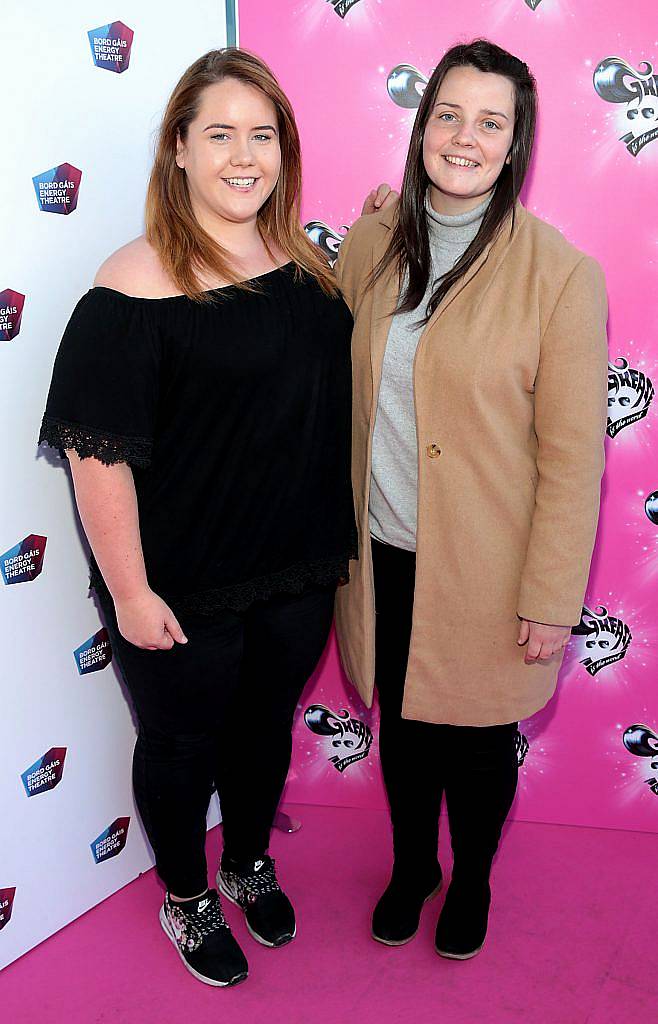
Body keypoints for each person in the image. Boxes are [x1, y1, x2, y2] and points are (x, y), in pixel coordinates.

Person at [39, 48, 360, 988]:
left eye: (262, 135)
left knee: (265, 729)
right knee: (180, 749)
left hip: (294, 567)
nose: (243, 156)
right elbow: (96, 456)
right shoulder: (132, 286)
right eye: (219, 134)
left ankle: (247, 861)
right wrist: (131, 594)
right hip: (179, 585)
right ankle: (186, 897)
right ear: (178, 149)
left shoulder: (305, 263)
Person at [334, 39, 608, 960]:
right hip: (383, 552)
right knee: (405, 734)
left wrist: (550, 598)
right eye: (448, 114)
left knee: (479, 747)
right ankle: (414, 868)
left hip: (491, 566)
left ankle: (475, 877)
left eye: (490, 122)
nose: (465, 137)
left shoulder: (561, 276)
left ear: (514, 143)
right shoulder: (371, 243)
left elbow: (574, 457)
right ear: (422, 128)